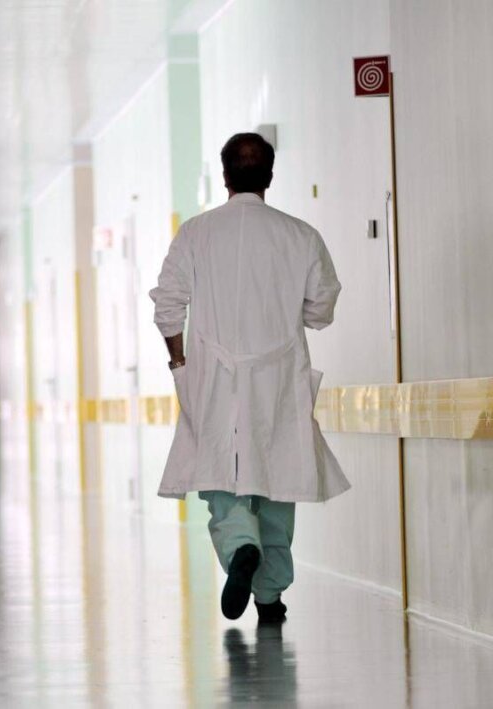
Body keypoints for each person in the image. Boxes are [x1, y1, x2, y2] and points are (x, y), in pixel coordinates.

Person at [149, 133, 349, 624]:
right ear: (270, 177)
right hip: (279, 377)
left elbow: (168, 305)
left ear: (225, 177)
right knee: (277, 483)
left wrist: (180, 363)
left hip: (214, 377)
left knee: (223, 481)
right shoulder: (301, 236)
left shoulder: (195, 234)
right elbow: (321, 310)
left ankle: (241, 545)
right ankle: (270, 597)